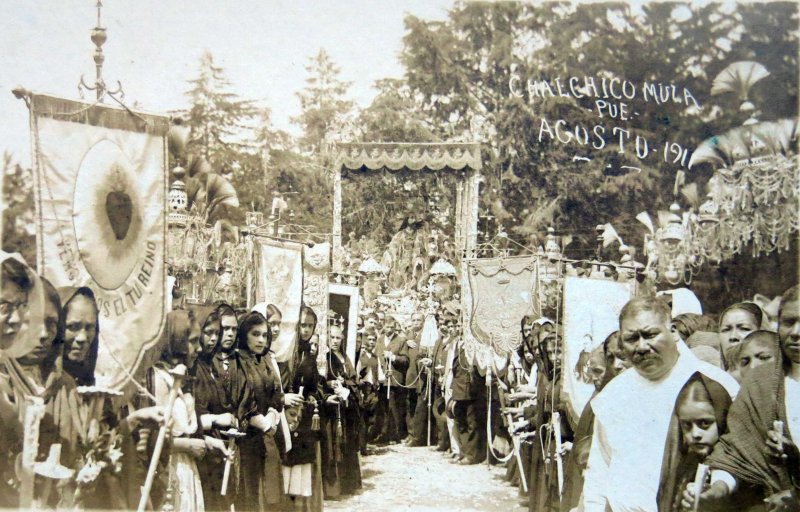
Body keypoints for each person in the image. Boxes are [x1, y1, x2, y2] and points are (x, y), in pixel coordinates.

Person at [581, 296, 738, 511]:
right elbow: (599, 469)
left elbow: (736, 457)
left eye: (650, 334)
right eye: (632, 338)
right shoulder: (614, 393)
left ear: (672, 332)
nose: (642, 346)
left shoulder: (713, 384)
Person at [690, 285, 800, 511]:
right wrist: (718, 489)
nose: (796, 332)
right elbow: (736, 451)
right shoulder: (760, 382)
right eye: (789, 322)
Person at [190, 304, 248, 511]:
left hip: (217, 449)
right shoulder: (193, 367)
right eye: (208, 333)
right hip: (201, 449)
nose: (214, 339)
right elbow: (191, 418)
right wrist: (216, 419)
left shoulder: (208, 365)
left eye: (217, 333)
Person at [657, 373, 732, 511]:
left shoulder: (739, 467)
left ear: (722, 418)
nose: (695, 434)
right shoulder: (685, 465)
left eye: (704, 423)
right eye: (687, 425)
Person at [235, 310, 286, 510]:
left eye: (264, 335)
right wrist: (262, 422)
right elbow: (242, 399)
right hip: (247, 436)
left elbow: (276, 393)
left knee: (270, 492)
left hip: (267, 433)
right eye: (255, 334)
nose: (261, 340)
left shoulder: (264, 360)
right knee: (249, 492)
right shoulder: (238, 361)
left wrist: (273, 414)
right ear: (244, 334)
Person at [283, 305, 324, 512]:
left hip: (304, 419)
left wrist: (312, 397)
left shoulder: (309, 354)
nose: (305, 330)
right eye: (302, 325)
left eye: (309, 326)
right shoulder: (286, 351)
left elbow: (313, 385)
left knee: (299, 480)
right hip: (286, 417)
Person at [321, 323, 362, 497]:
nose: (335, 341)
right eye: (332, 337)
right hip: (334, 406)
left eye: (338, 337)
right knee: (336, 443)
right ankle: (334, 487)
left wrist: (348, 384)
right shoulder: (327, 358)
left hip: (348, 407)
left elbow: (353, 378)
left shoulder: (345, 357)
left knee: (348, 442)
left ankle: (349, 484)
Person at [374, 316, 409, 444]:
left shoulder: (401, 340)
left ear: (395, 327)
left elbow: (405, 360)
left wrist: (393, 357)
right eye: (387, 326)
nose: (389, 329)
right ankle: (383, 434)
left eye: (392, 327)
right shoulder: (380, 340)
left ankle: (395, 435)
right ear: (384, 326)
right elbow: (376, 357)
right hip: (382, 379)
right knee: (383, 408)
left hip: (394, 380)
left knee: (394, 408)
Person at [58, 287, 100, 386]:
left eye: (89, 327)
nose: (82, 338)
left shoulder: (94, 392)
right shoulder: (32, 385)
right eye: (73, 327)